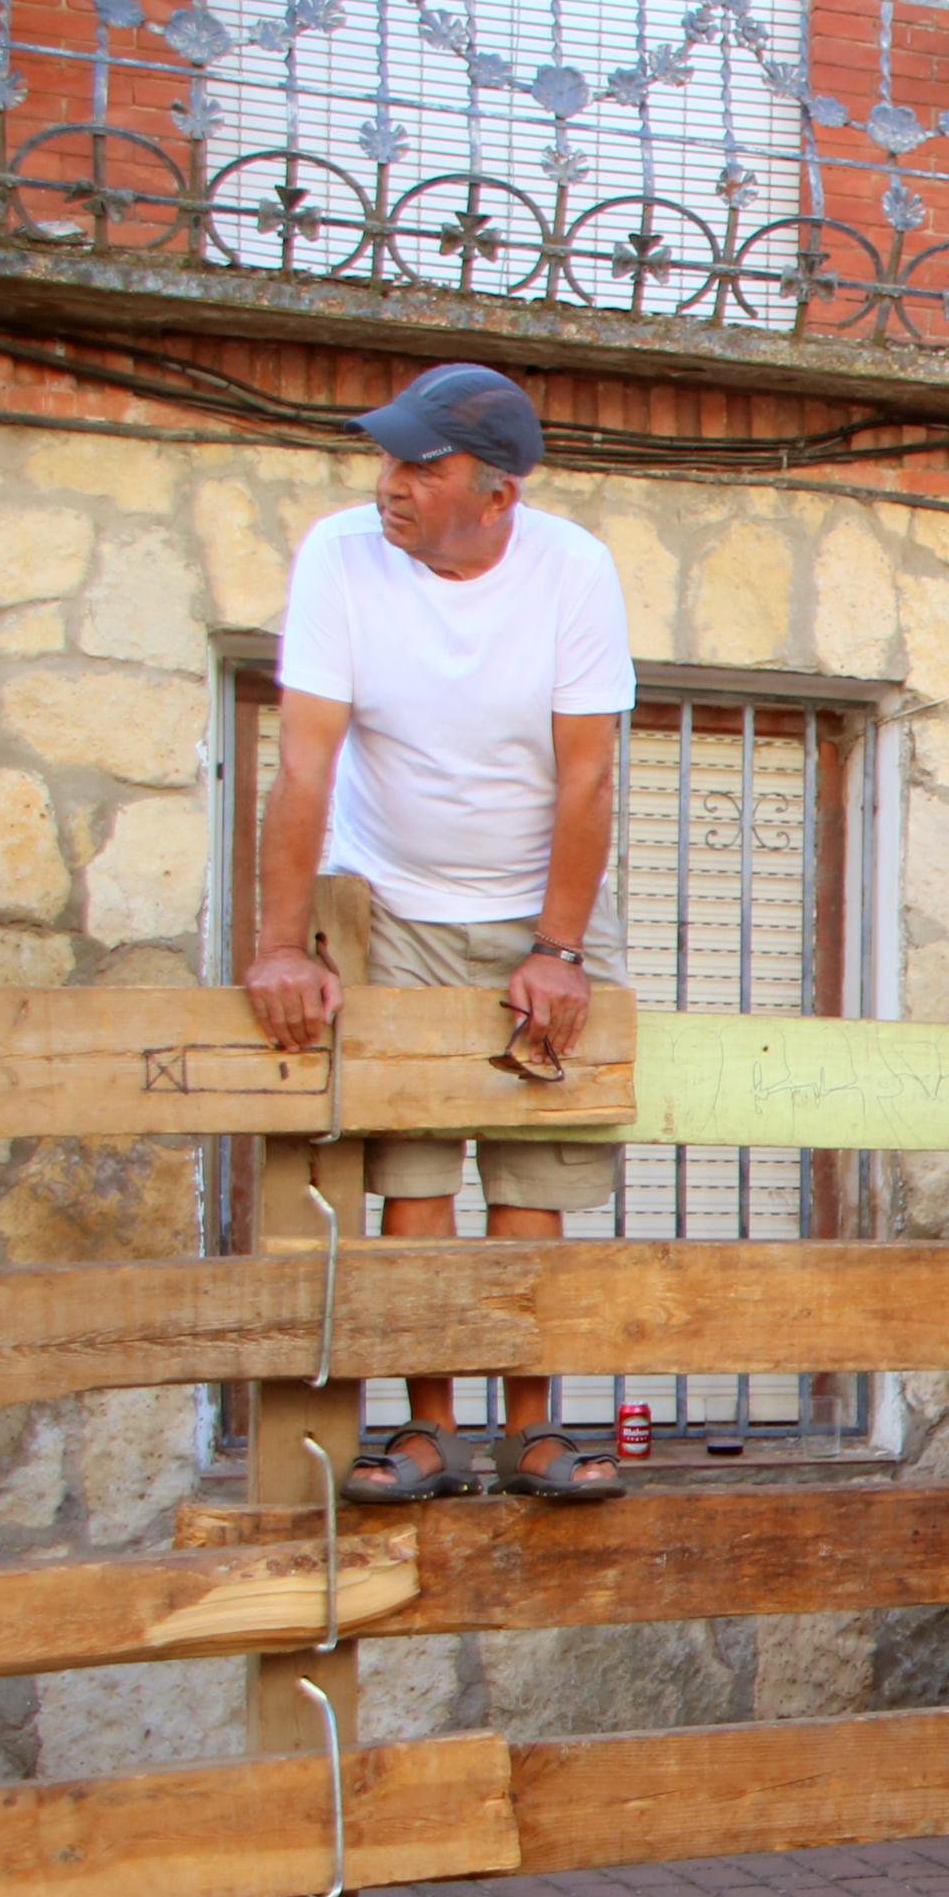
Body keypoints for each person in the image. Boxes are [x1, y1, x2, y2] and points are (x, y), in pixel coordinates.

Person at [242, 362, 639, 1504]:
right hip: (393, 900)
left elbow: (588, 774)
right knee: (412, 1178)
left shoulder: (573, 569)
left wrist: (557, 949)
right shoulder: (339, 554)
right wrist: (280, 944)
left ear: (498, 493)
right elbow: (305, 761)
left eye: (422, 464)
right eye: (387, 458)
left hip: (538, 896)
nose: (391, 484)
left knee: (534, 1175)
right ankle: (427, 1432)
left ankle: (530, 1428)